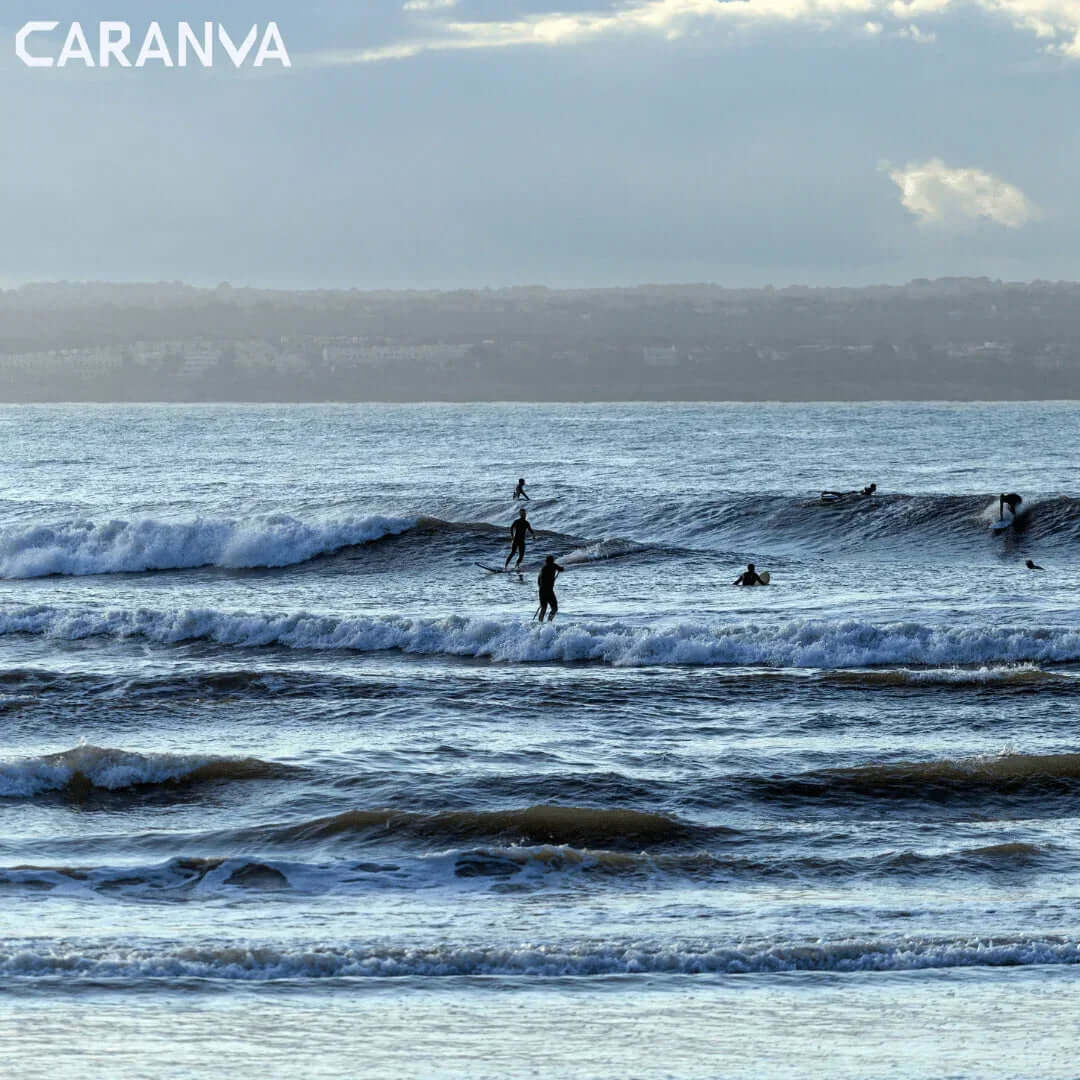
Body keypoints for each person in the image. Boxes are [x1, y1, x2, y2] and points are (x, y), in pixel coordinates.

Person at [537, 554, 564, 621]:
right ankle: (545, 623)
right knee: (550, 608)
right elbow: (540, 581)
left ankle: (545, 622)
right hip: (546, 591)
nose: (550, 563)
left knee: (548, 608)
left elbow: (560, 569)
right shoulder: (545, 569)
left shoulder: (552, 566)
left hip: (544, 591)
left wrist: (561, 568)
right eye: (550, 562)